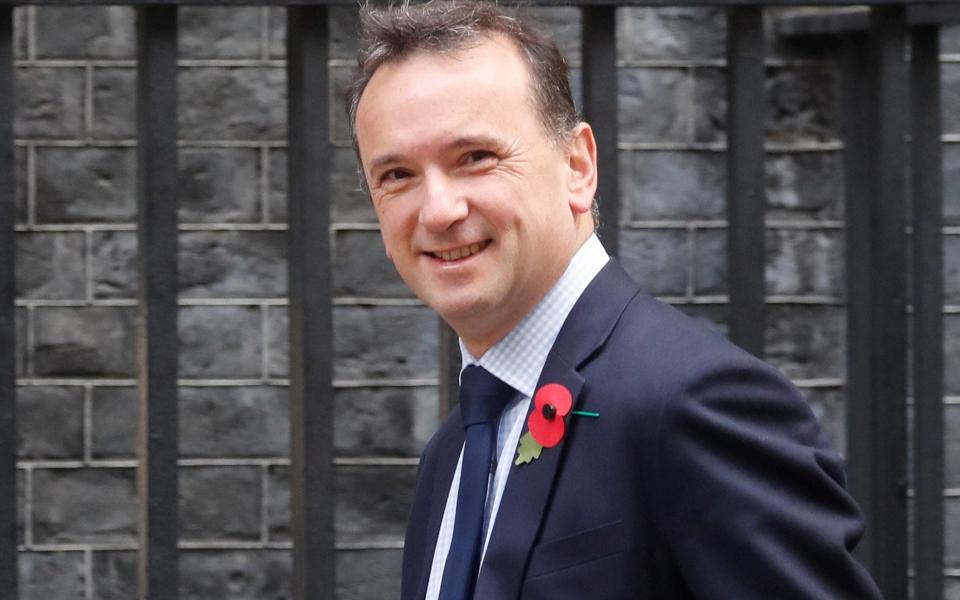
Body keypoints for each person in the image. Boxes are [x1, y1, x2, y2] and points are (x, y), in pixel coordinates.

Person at [347, 1, 882, 598]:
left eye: (476, 158)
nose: (439, 209)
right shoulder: (453, 452)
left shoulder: (696, 403)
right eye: (397, 175)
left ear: (577, 166)